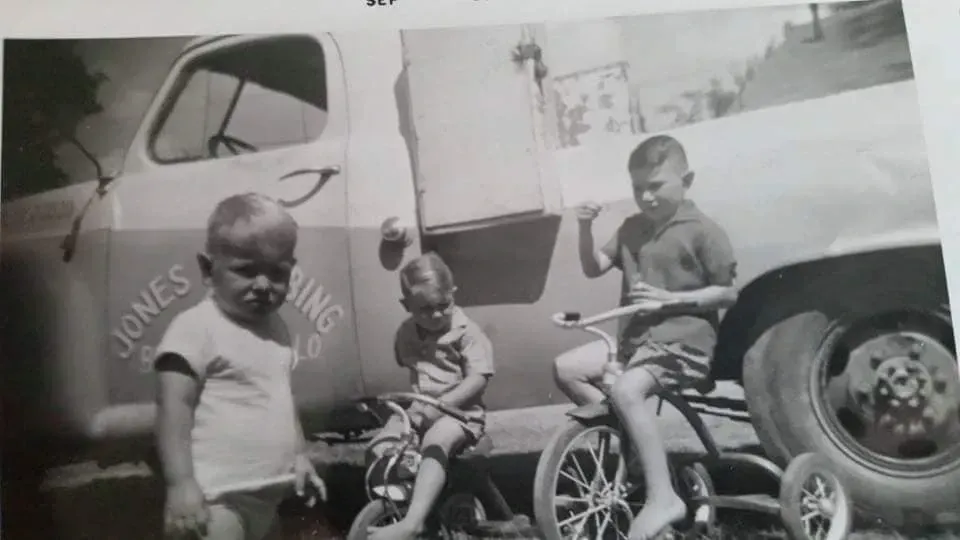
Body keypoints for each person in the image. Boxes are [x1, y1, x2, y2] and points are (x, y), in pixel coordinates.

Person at [552, 135, 739, 540]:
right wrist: (584, 227)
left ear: (686, 180)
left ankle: (662, 497)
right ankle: (636, 445)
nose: (647, 197)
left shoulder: (703, 230)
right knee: (567, 368)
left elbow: (727, 292)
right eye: (638, 188)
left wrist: (671, 299)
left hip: (683, 343)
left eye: (656, 186)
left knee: (627, 390)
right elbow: (593, 266)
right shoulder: (632, 228)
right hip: (637, 344)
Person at [154, 193, 327, 540]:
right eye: (246, 271)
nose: (263, 285)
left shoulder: (276, 328)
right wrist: (181, 483)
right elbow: (173, 408)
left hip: (267, 495)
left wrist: (299, 456)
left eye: (277, 273)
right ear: (207, 269)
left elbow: (280, 397)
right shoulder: (196, 327)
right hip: (215, 498)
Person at [367, 252, 495, 540]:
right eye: (425, 309)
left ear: (453, 295)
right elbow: (411, 367)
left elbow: (479, 378)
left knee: (435, 442)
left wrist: (445, 403)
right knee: (380, 447)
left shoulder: (466, 332)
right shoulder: (405, 333)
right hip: (420, 410)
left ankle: (412, 522)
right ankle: (405, 505)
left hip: (462, 415)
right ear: (406, 305)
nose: (436, 315)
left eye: (443, 305)